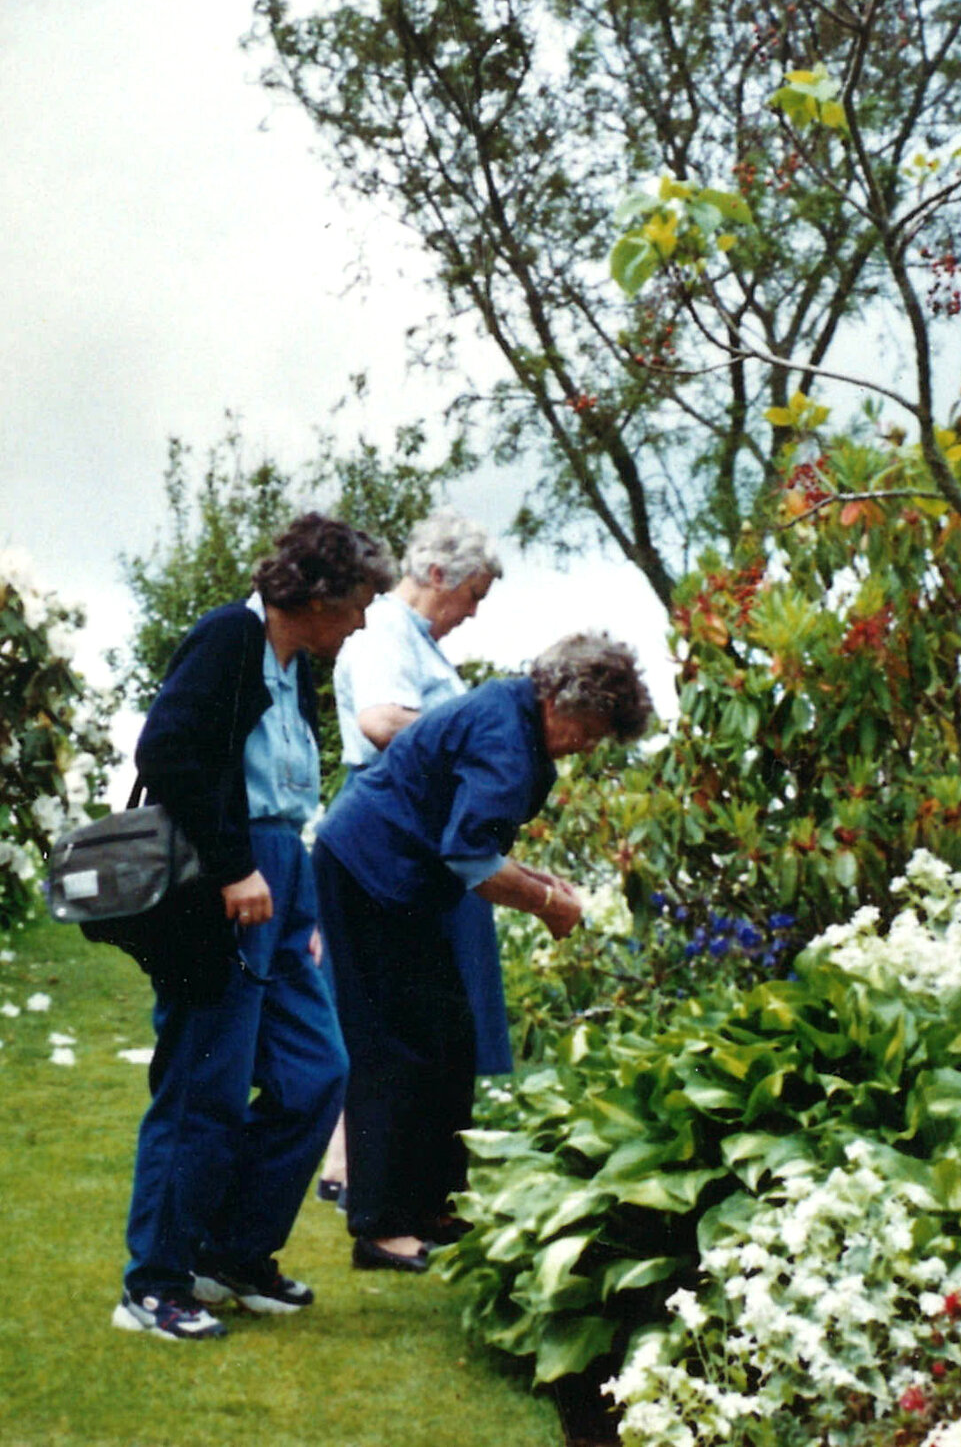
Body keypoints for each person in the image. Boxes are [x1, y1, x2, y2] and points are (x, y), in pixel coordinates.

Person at [112, 513, 395, 1340]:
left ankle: (233, 1254)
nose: (365, 619)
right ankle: (154, 1283)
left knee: (316, 1074)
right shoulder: (229, 638)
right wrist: (238, 868)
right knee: (204, 1088)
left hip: (281, 882)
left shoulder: (293, 663)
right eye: (357, 603)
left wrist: (297, 901)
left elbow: (286, 788)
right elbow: (166, 753)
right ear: (316, 595)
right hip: (219, 889)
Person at [313, 631, 653, 1272]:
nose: (588, 744)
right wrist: (550, 905)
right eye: (591, 727)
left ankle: (436, 1207)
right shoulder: (506, 735)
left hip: (403, 878)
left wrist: (536, 879)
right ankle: (381, 1227)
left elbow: (474, 835)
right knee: (393, 1046)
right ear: (560, 697)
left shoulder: (514, 715)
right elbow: (469, 858)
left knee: (449, 1039)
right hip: (368, 872)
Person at [316, 510, 506, 1206]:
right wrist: (483, 746)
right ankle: (369, 1185)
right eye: (473, 595)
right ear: (435, 575)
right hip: (388, 839)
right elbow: (381, 720)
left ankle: (406, 1188)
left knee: (432, 1022)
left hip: (420, 841)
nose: (473, 613)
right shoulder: (384, 634)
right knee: (392, 1022)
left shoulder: (418, 641)